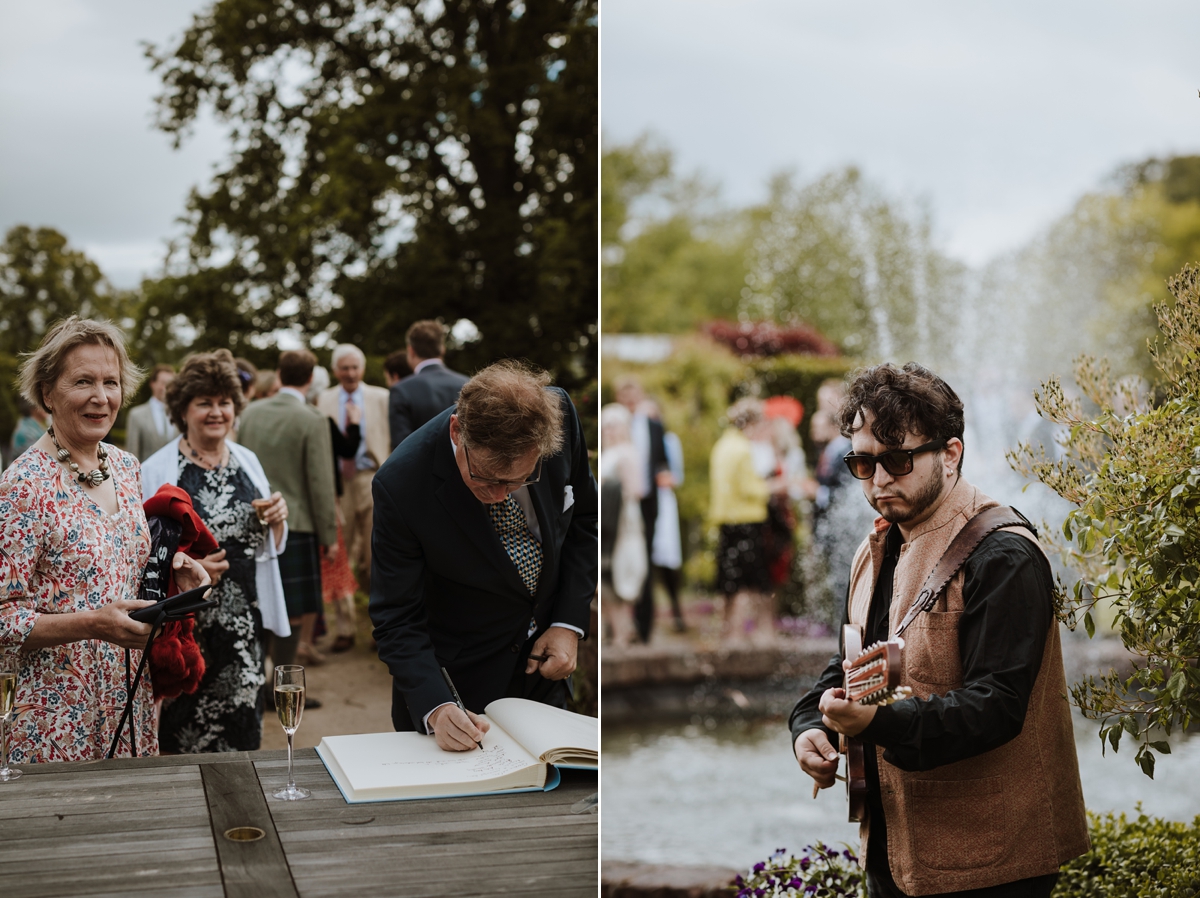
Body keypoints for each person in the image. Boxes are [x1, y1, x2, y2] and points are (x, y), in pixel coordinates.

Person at [790, 362, 1088, 897]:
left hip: (993, 866)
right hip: (895, 849)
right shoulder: (877, 545)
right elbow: (853, 660)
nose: (879, 480)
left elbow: (996, 706)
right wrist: (810, 724)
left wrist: (873, 724)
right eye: (862, 463)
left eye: (898, 460)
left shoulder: (1005, 554)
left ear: (950, 454)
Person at [0, 316, 209, 762]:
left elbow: (123, 566)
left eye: (110, 382)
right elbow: (2, 618)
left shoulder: (125, 465)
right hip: (55, 717)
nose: (101, 397)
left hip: (128, 699)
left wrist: (172, 573)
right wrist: (92, 623)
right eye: (82, 382)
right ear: (46, 394)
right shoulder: (24, 486)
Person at [369, 360, 597, 751]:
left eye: (519, 480)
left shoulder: (559, 417)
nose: (501, 494)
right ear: (458, 431)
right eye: (486, 478)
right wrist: (437, 706)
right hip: (457, 689)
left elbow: (585, 522)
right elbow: (396, 616)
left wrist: (567, 623)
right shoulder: (401, 485)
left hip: (542, 677)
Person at [140, 349, 290, 753]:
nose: (216, 411)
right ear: (182, 409)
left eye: (224, 402)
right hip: (187, 626)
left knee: (242, 725)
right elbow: (140, 553)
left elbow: (269, 546)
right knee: (182, 729)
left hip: (243, 623)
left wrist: (277, 520)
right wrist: (188, 567)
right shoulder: (157, 469)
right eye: (204, 402)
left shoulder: (247, 460)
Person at [236, 349, 337, 703]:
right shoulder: (312, 418)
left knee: (261, 602)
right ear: (310, 379)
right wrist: (329, 535)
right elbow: (320, 482)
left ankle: (257, 685)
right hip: (298, 526)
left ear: (279, 374)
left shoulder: (250, 414)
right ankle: (283, 688)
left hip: (255, 521)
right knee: (293, 610)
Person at [316, 344, 389, 649]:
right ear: (335, 370)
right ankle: (344, 629)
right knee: (339, 554)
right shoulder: (323, 399)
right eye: (344, 368)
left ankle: (381, 629)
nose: (349, 373)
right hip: (338, 485)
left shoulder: (382, 398)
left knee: (375, 556)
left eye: (354, 367)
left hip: (373, 478)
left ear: (362, 369)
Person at [709, 398, 785, 644]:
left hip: (726, 520)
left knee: (729, 584)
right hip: (747, 521)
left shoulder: (722, 445)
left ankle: (726, 633)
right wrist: (774, 485)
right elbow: (748, 489)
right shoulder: (742, 449)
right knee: (746, 584)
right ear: (750, 423)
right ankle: (738, 637)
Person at [309, 366, 362, 659]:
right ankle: (342, 628)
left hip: (301, 506)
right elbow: (349, 450)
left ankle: (319, 632)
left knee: (321, 566)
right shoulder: (322, 421)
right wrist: (354, 424)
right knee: (337, 563)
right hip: (328, 501)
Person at [614, 376, 669, 643]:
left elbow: (662, 462)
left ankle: (644, 628)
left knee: (644, 562)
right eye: (625, 395)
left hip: (647, 505)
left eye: (634, 394)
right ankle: (621, 626)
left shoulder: (654, 425)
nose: (631, 400)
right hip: (618, 507)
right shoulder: (613, 426)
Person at [599, 403, 644, 647]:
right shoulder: (609, 453)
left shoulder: (627, 453)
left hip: (622, 523)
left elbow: (635, 490)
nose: (609, 431)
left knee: (619, 575)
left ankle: (622, 634)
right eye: (606, 426)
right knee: (606, 579)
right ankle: (618, 631)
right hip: (607, 522)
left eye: (614, 426)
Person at [387, 319, 470, 448]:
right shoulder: (467, 383)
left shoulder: (401, 389)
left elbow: (401, 447)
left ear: (411, 351)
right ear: (442, 349)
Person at [125, 364, 178, 462]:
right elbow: (132, 453)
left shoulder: (180, 414)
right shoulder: (136, 415)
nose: (166, 388)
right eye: (163, 383)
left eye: (171, 384)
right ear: (152, 384)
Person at [8, 397, 47, 466]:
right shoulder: (27, 432)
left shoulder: (31, 426)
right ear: (33, 407)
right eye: (43, 403)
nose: (47, 406)